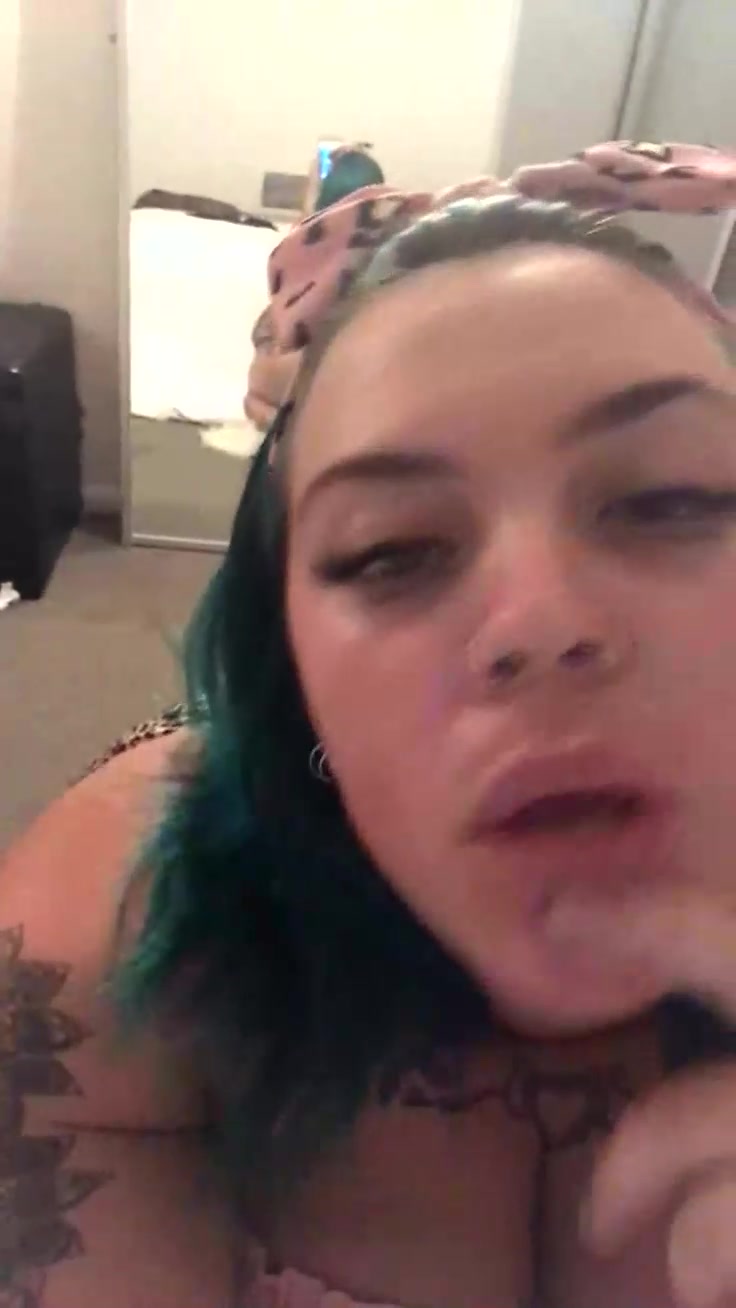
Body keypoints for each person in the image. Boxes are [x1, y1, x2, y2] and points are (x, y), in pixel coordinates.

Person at [2, 140, 736, 1308]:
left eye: (669, 497)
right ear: (290, 658)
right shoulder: (111, 945)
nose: (539, 621)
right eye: (391, 551)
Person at [245, 144, 386, 433]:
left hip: (319, 365)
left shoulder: (304, 251)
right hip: (367, 360)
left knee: (257, 396)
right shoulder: (394, 240)